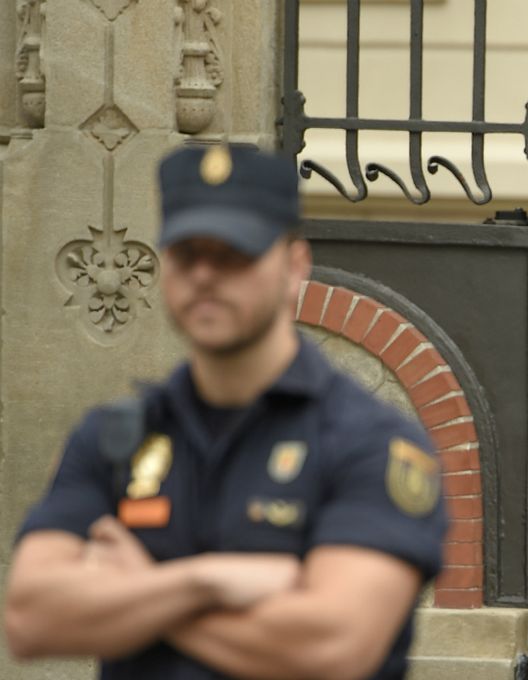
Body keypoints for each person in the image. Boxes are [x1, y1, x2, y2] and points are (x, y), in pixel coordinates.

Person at [3, 144, 448, 679]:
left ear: (294, 265)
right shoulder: (113, 437)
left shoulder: (369, 444)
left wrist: (138, 589)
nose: (207, 275)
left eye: (235, 254)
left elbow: (334, 649)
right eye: (188, 254)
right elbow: (30, 618)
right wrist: (203, 582)